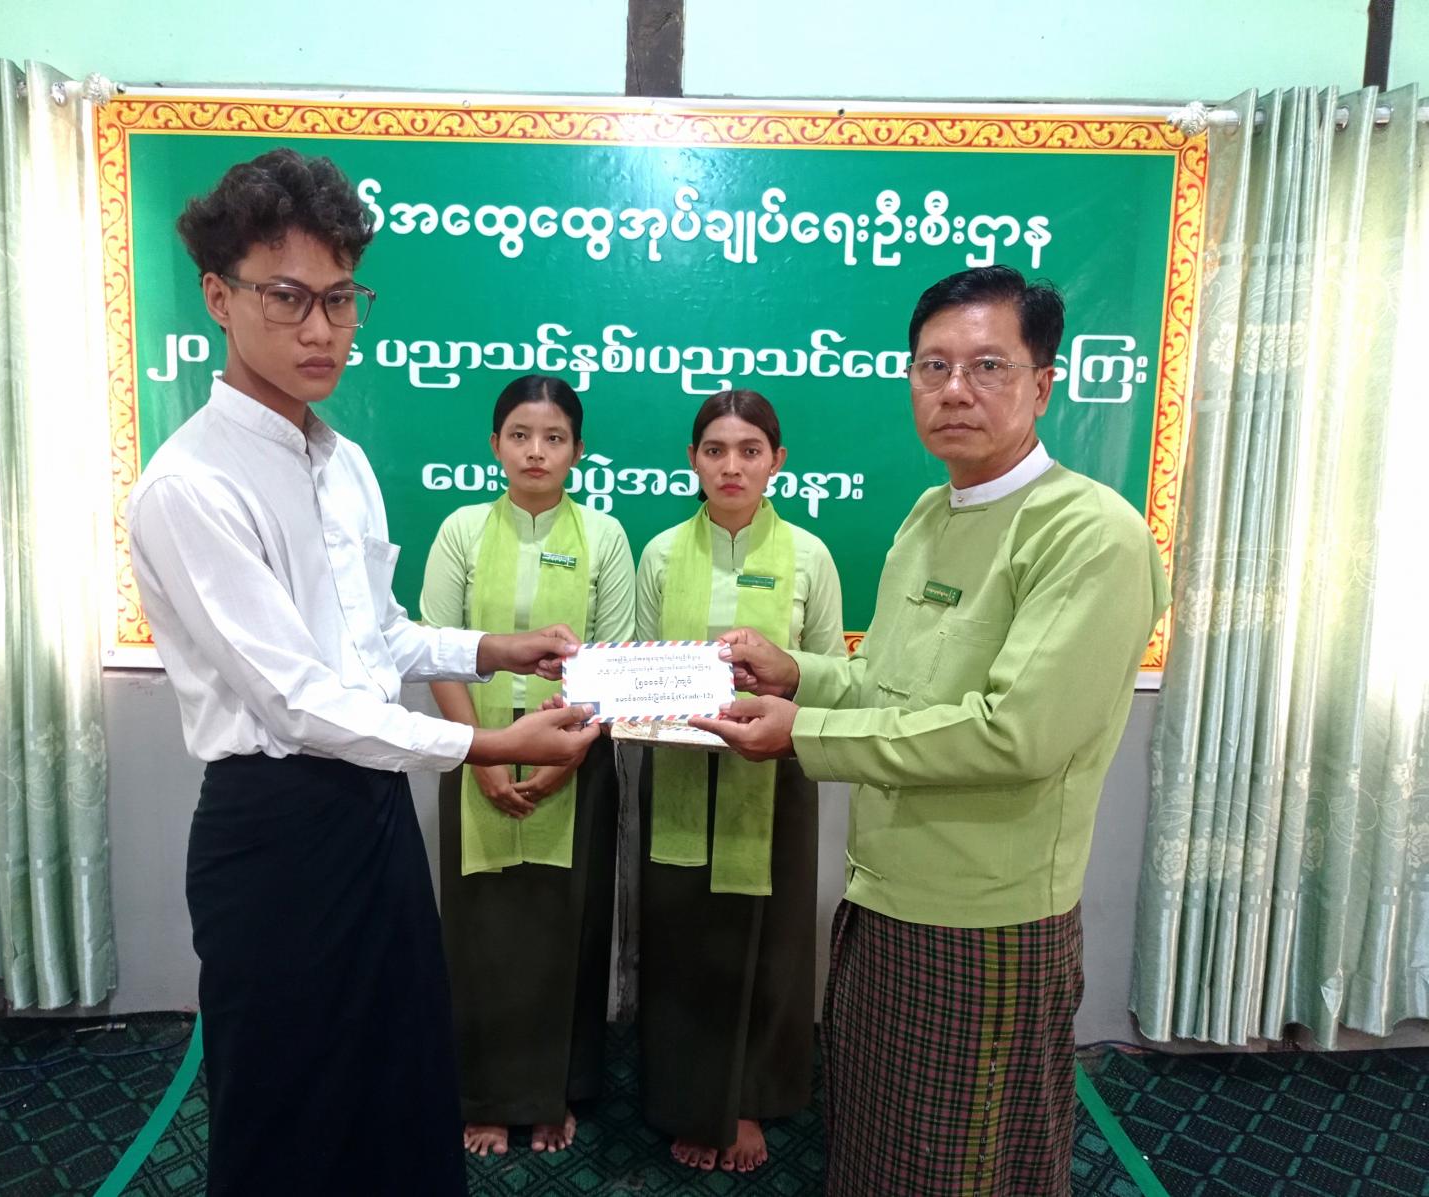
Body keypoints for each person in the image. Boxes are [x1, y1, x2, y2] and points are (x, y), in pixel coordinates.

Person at [126, 150, 599, 1197]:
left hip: (375, 812)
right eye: (287, 297)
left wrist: (494, 649)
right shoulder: (190, 486)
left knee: (399, 1078)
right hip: (275, 830)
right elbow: (297, 701)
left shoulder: (344, 462)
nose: (321, 329)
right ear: (218, 296)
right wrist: (487, 740)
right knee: (287, 1107)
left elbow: (375, 637)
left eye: (340, 298)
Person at [693, 266, 1170, 1195]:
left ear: (1043, 384)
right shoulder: (928, 513)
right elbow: (887, 682)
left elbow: (1012, 734)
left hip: (988, 917)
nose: (955, 389)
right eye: (932, 366)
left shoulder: (1089, 535)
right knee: (877, 1148)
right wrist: (799, 673)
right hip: (882, 896)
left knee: (969, 1164)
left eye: (988, 365)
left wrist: (802, 735)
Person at [419, 374, 635, 1158]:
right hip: (472, 748)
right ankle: (484, 1095)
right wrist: (482, 752)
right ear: (494, 445)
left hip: (578, 756)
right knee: (482, 932)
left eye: (553, 437)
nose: (535, 451)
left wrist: (562, 759)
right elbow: (438, 649)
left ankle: (553, 1094)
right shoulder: (461, 530)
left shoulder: (605, 536)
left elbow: (611, 663)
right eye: (519, 435)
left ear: (578, 449)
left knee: (564, 925)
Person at [635, 389, 845, 1174]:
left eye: (750, 450)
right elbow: (641, 670)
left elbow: (831, 671)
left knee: (771, 938)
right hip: (679, 771)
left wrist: (780, 684)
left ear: (776, 461)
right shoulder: (660, 553)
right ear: (692, 459)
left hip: (775, 770)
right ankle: (690, 1095)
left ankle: (749, 1097)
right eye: (715, 450)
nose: (732, 466)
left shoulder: (810, 556)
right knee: (683, 936)